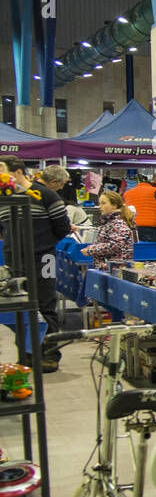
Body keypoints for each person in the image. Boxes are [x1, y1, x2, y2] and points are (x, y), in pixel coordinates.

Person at [0, 156, 71, 370]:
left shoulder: (45, 195)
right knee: (21, 308)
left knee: (45, 305)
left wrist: (43, 244)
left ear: (18, 172)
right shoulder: (3, 198)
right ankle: (27, 355)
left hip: (45, 258)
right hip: (15, 262)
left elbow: (63, 228)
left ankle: (49, 356)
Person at [82, 191, 136, 268]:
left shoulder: (118, 223)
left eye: (103, 203)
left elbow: (115, 245)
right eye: (99, 203)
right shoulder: (108, 222)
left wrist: (91, 250)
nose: (100, 206)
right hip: (106, 268)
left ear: (114, 205)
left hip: (115, 270)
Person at [123, 173, 156, 242]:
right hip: (150, 229)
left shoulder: (127, 194)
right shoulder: (155, 191)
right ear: (151, 185)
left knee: (136, 251)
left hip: (131, 229)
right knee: (149, 250)